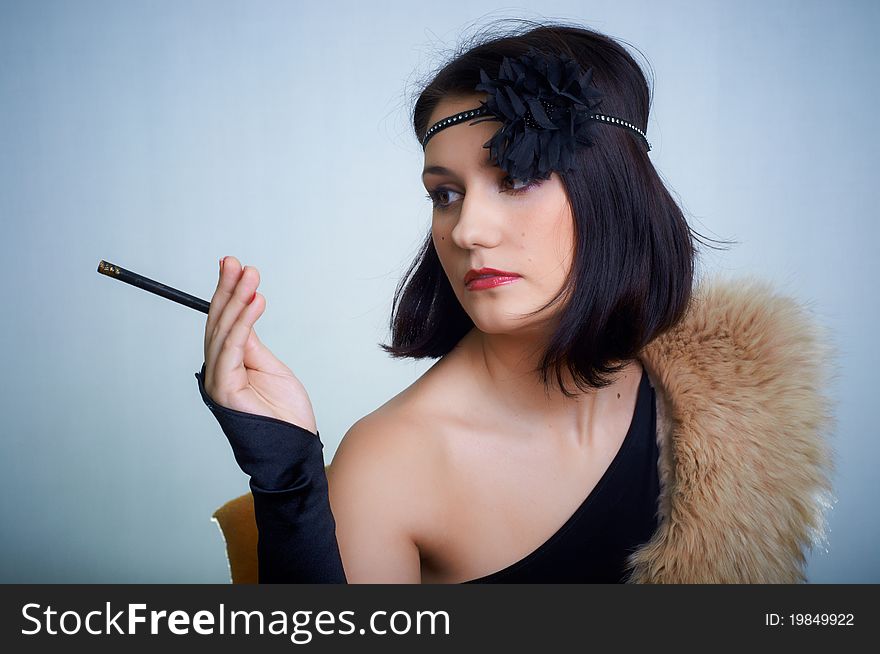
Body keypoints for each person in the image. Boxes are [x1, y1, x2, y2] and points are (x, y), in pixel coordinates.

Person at [194, 21, 836, 583]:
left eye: (517, 177)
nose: (468, 229)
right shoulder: (391, 463)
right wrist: (289, 484)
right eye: (445, 194)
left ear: (610, 193)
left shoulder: (724, 398)